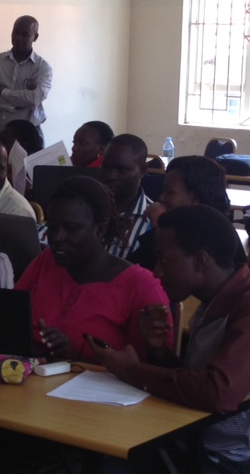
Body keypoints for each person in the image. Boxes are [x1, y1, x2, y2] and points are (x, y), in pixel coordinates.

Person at [91, 205, 250, 472]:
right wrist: (159, 353)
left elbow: (217, 392)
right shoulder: (211, 300)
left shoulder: (245, 305)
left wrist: (131, 370)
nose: (157, 272)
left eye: (164, 260)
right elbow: (198, 380)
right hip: (191, 441)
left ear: (200, 260)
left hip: (229, 460)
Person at [14, 176, 172, 363]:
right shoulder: (47, 259)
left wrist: (75, 358)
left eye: (71, 228)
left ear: (100, 230)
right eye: (52, 227)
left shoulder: (141, 286)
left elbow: (147, 371)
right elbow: (12, 318)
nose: (56, 237)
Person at [128, 155, 247, 270]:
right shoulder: (204, 227)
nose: (161, 198)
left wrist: (158, 229)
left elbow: (141, 273)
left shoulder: (209, 240)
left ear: (195, 200)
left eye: (169, 192)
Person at [0, 15, 53, 138]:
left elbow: (33, 99)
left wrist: (2, 92)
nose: (18, 38)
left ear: (35, 37)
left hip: (28, 138)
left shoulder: (43, 68)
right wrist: (14, 106)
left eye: (25, 34)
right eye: (15, 32)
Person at [100, 133, 151, 259]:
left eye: (122, 170)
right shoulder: (85, 205)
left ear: (143, 171)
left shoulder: (152, 220)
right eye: (106, 167)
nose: (111, 176)